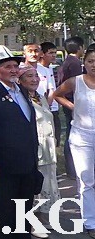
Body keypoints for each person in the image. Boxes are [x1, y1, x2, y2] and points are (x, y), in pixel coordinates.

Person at [0, 45, 39, 239]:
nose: (13, 70)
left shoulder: (21, 89)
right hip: (4, 164)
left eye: (15, 66)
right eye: (8, 66)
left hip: (28, 161)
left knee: (25, 209)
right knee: (7, 212)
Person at [53, 48, 95, 238]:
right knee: (86, 179)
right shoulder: (75, 81)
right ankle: (90, 221)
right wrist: (72, 106)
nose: (94, 65)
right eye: (91, 61)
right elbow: (57, 94)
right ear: (84, 63)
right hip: (82, 137)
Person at [17, 65, 60, 238]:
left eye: (36, 76)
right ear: (20, 80)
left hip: (48, 147)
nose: (34, 79)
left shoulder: (40, 97)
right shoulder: (20, 99)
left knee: (48, 183)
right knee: (35, 186)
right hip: (34, 148)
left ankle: (44, 217)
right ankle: (32, 222)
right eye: (29, 76)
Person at [58, 36, 85, 179]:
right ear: (80, 47)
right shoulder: (74, 63)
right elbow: (78, 87)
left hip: (69, 103)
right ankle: (73, 170)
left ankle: (71, 169)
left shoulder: (66, 62)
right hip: (73, 104)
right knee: (73, 136)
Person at [40, 42, 62, 146]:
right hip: (45, 109)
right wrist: (46, 107)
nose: (53, 55)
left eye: (55, 53)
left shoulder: (50, 68)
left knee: (56, 138)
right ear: (42, 54)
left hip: (54, 108)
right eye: (50, 53)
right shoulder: (38, 69)